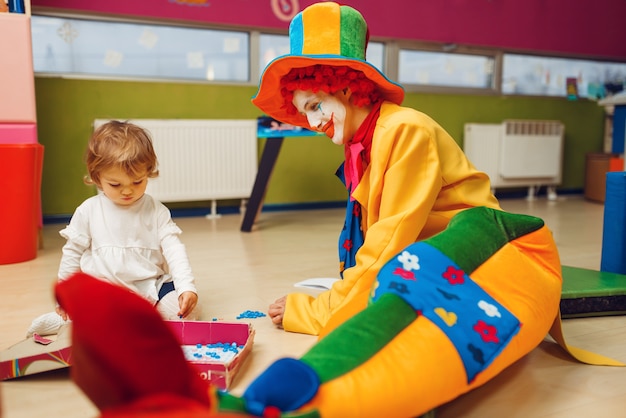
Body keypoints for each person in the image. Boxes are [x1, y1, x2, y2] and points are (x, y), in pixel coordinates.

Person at [252, 2, 501, 335]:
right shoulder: (363, 142)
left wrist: (317, 310)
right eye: (305, 112)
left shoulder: (403, 129)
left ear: (346, 86)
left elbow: (389, 243)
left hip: (477, 261)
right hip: (436, 253)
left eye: (315, 105)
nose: (312, 123)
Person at [27, 120, 200, 337]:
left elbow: (174, 250)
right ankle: (66, 322)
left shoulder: (156, 211)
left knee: (182, 310)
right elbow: (72, 253)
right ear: (97, 177)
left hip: (149, 287)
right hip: (105, 292)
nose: (127, 191)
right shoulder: (88, 210)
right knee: (87, 310)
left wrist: (186, 287)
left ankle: (135, 320)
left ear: (148, 172)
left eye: (137, 182)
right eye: (115, 185)